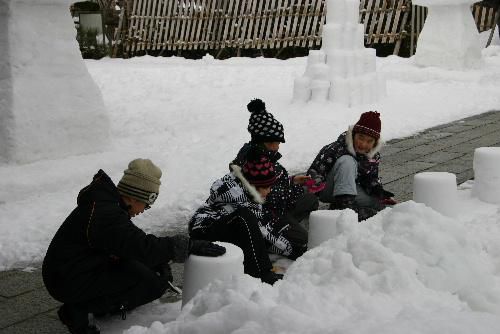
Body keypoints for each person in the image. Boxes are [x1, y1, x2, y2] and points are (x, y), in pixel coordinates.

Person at [42, 159, 225, 334]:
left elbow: (129, 244)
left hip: (73, 269)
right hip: (66, 280)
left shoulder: (107, 204)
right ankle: (78, 309)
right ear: (136, 197)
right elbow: (143, 246)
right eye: (147, 205)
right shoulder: (108, 215)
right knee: (153, 284)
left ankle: (92, 303)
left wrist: (155, 260)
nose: (144, 210)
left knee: (146, 268)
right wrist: (189, 245)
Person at [231, 98, 319, 260]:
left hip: (279, 206)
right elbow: (271, 196)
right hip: (267, 215)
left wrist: (292, 181)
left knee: (311, 200)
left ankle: (289, 227)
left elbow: (273, 183)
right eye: (275, 142)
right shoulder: (255, 161)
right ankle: (273, 238)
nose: (278, 146)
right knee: (305, 240)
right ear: (262, 141)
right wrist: (295, 188)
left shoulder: (263, 155)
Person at [189, 151, 286, 285]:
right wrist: (291, 250)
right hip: (205, 231)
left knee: (248, 221)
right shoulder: (236, 196)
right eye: (266, 187)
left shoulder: (249, 194)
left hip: (223, 226)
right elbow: (265, 233)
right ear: (253, 186)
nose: (269, 191)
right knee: (244, 217)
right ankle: (261, 274)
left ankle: (253, 269)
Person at [307, 111, 396, 221]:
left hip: (349, 192)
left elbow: (369, 179)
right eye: (361, 138)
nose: (363, 144)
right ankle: (346, 208)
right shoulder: (336, 148)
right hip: (325, 190)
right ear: (354, 135)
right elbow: (313, 174)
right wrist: (314, 186)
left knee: (381, 204)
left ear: (375, 143)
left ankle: (338, 207)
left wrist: (378, 191)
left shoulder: (373, 156)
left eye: (369, 141)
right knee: (347, 161)